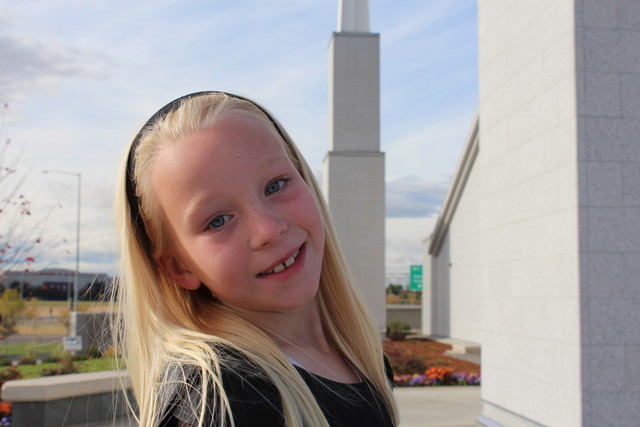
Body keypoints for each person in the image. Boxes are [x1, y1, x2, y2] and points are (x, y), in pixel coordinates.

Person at [113, 91, 398, 426]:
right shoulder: (220, 397)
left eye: (276, 185)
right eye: (217, 220)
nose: (268, 230)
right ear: (179, 267)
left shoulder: (360, 357)